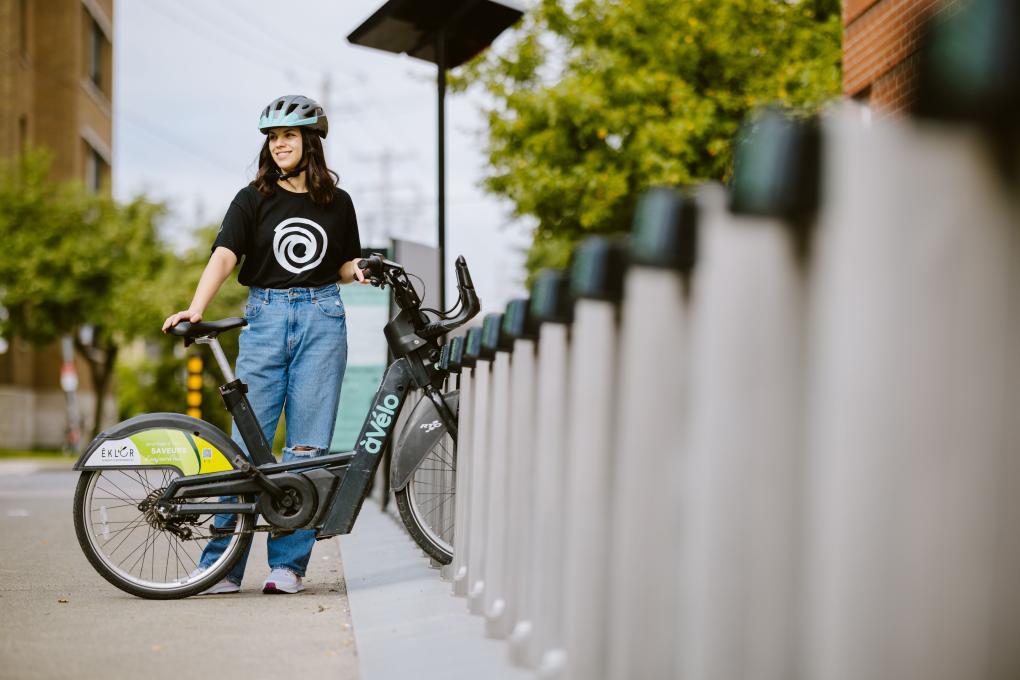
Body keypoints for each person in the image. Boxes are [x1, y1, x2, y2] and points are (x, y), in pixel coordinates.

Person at [163, 94, 368, 594]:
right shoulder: (252, 197)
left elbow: (340, 262)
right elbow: (226, 254)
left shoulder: (337, 203)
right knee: (244, 447)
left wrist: (358, 269)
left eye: (289, 136)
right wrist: (197, 307)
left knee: (306, 448)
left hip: (323, 317)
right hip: (265, 316)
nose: (279, 145)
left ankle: (287, 567)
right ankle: (223, 567)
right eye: (274, 137)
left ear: (311, 142)